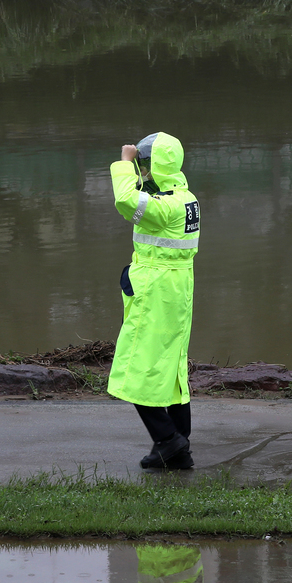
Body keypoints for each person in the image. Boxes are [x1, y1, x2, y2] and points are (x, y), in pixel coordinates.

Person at [110, 132, 200, 469]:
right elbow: (141, 199)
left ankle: (167, 439)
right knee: (171, 368)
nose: (142, 172)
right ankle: (180, 448)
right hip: (176, 290)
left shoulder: (164, 206)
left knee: (138, 368)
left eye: (146, 165)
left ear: (157, 166)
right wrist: (139, 171)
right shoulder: (185, 198)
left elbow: (125, 201)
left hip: (156, 291)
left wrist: (123, 162)